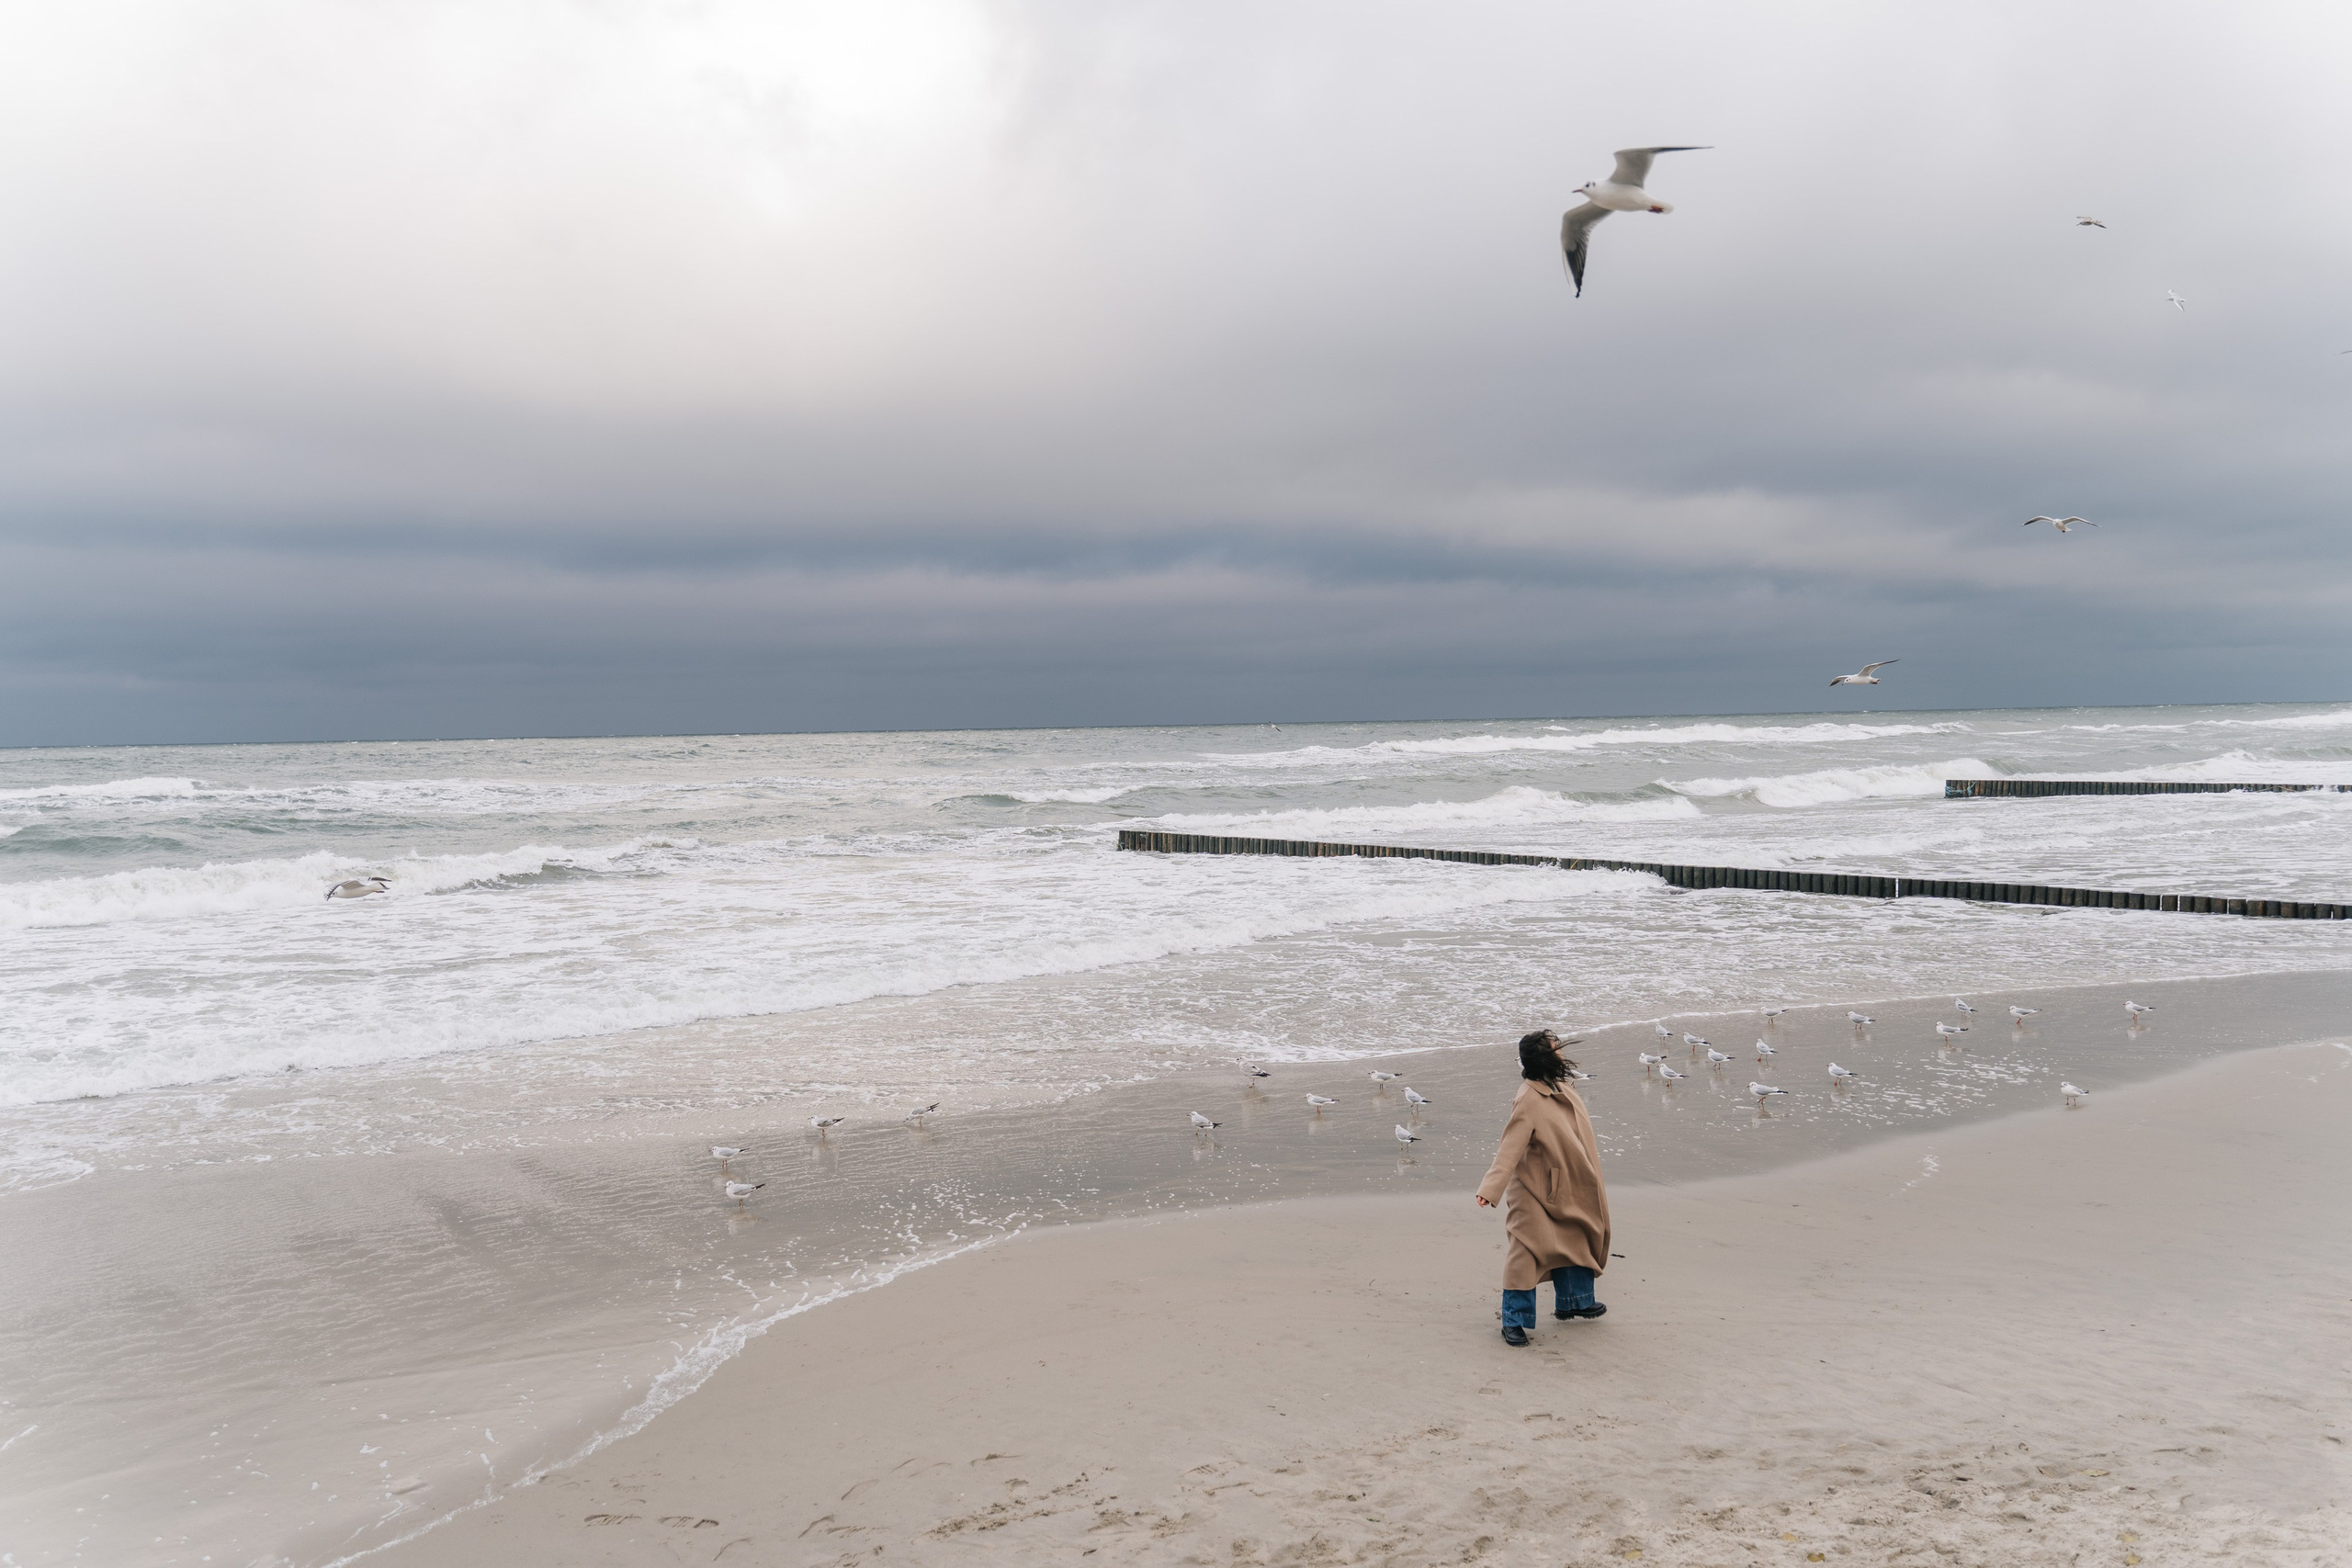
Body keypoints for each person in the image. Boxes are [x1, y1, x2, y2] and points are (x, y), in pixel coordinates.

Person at [1475, 1029, 1612, 1346]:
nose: (1562, 1053)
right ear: (1545, 1058)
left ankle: (1575, 1302)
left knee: (1575, 1238)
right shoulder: (1528, 1099)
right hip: (1534, 1190)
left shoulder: (1563, 1086)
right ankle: (1514, 1321)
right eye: (1556, 1049)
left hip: (1567, 1184)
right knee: (1526, 1252)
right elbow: (1510, 1146)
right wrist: (1490, 1188)